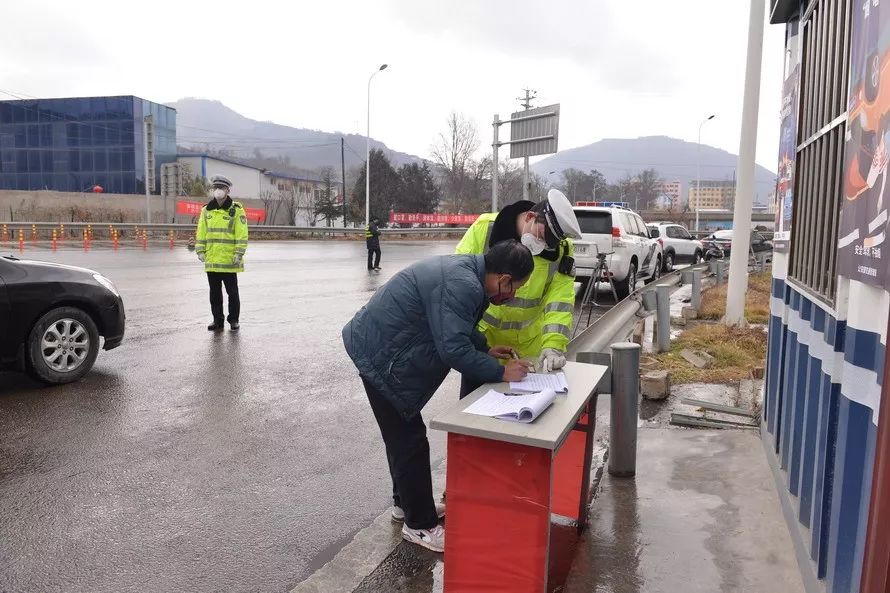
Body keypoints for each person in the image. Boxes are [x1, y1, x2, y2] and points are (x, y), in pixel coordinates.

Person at [342, 240, 535, 552]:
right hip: (378, 355)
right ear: (504, 279)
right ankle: (419, 525)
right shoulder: (464, 284)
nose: (512, 295)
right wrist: (501, 372)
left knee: (403, 436)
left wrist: (484, 348)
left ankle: (406, 505)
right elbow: (453, 349)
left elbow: (454, 324)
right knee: (409, 441)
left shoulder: (468, 274)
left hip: (380, 347)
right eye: (516, 288)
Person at [455, 189, 582, 397]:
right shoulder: (484, 228)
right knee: (474, 405)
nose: (542, 245)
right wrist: (468, 338)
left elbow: (560, 302)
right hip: (483, 343)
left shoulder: (561, 250)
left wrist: (553, 345)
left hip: (527, 350)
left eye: (548, 242)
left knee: (525, 409)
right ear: (530, 216)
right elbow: (460, 280)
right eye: (541, 235)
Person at [195, 175, 249, 331]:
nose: (218, 190)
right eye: (216, 187)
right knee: (214, 294)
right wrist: (200, 250)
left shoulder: (236, 209)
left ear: (227, 190)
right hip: (212, 259)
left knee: (232, 293)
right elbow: (201, 232)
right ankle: (217, 320)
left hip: (229, 260)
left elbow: (241, 233)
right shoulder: (206, 210)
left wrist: (239, 253)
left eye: (222, 188)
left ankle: (234, 320)